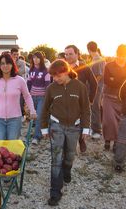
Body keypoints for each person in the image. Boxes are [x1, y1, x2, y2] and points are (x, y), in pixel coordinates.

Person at [41, 59, 90, 206]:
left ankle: (67, 169)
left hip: (74, 128)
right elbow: (44, 109)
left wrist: (85, 128)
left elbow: (86, 109)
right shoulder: (51, 88)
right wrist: (44, 128)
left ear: (66, 71)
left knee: (69, 155)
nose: (55, 79)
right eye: (53, 77)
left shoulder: (80, 87)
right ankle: (55, 192)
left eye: (58, 76)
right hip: (56, 126)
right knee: (56, 159)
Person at [0, 53, 36, 140]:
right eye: (2, 63)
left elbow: (27, 96)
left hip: (15, 119)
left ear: (12, 64)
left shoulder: (20, 80)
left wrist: (32, 110)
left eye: (8, 63)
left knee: (11, 147)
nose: (5, 66)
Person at [64, 45, 97, 152]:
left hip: (80, 101)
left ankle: (81, 140)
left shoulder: (84, 67)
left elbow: (94, 83)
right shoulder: (62, 67)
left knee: (81, 122)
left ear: (77, 54)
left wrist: (90, 99)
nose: (68, 56)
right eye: (66, 54)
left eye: (70, 54)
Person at [102, 44, 126, 151]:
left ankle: (115, 142)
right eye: (120, 55)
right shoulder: (108, 65)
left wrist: (114, 79)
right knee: (109, 120)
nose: (121, 57)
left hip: (122, 98)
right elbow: (106, 80)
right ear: (117, 54)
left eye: (124, 55)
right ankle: (107, 139)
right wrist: (121, 80)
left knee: (119, 121)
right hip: (108, 97)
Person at [27, 51, 50, 145]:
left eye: (37, 58)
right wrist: (27, 95)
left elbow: (47, 85)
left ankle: (36, 136)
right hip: (32, 96)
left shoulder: (46, 71)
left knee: (39, 116)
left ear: (41, 59)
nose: (35, 60)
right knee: (33, 116)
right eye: (34, 58)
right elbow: (28, 83)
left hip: (42, 97)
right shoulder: (31, 70)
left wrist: (48, 98)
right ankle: (33, 133)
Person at [87, 41, 106, 139]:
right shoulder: (95, 58)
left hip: (97, 88)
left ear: (88, 49)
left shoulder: (98, 59)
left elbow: (99, 75)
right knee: (93, 108)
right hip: (94, 87)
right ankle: (93, 128)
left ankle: (97, 131)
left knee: (95, 108)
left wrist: (92, 85)